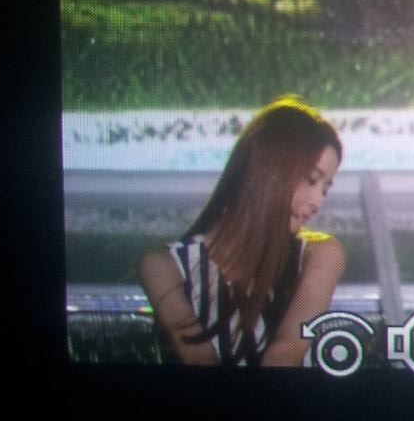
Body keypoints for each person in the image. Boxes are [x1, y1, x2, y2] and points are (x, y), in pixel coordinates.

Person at [138, 97, 346, 366]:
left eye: (325, 189)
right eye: (311, 180)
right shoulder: (164, 266)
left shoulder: (320, 255)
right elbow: (200, 360)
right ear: (269, 171)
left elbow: (287, 352)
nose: (318, 202)